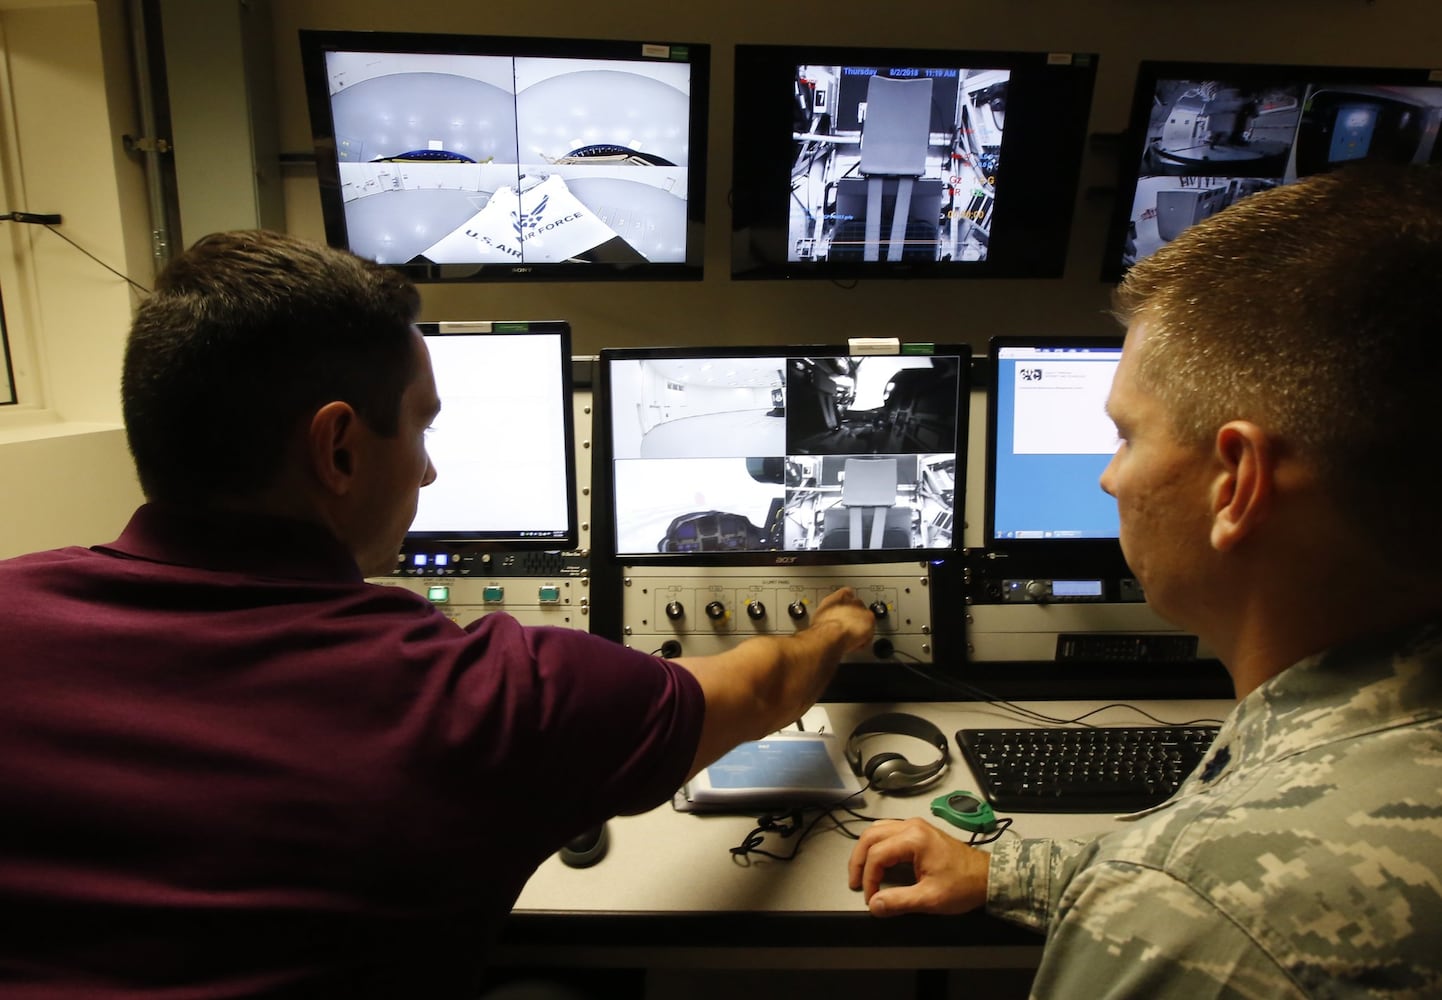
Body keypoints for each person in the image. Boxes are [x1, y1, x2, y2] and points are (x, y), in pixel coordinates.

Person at [0, 230, 876, 997]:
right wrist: (836, 629)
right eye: (421, 429)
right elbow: (758, 687)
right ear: (338, 449)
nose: (425, 474)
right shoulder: (489, 697)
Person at [848, 162, 1442, 996]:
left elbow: (1205, 893)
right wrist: (1012, 871)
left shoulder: (1185, 917)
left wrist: (1145, 893)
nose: (1108, 479)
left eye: (1126, 435)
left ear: (1235, 483)